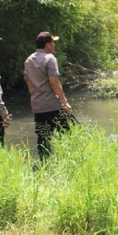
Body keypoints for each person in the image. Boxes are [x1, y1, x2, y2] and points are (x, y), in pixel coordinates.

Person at [24, 31, 73, 161]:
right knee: (70, 133)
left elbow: (29, 83)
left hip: (38, 106)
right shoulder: (50, 59)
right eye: (52, 43)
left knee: (43, 138)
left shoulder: (29, 60)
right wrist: (65, 103)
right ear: (47, 45)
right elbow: (55, 83)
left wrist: (35, 98)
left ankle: (44, 165)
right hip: (53, 105)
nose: (54, 46)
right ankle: (70, 160)